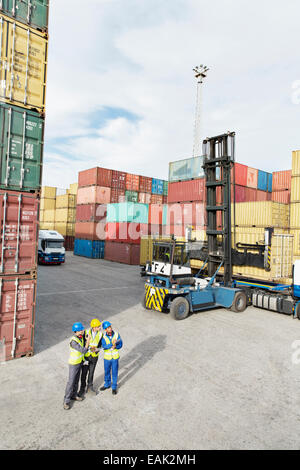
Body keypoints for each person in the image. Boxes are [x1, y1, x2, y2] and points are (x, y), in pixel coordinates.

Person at [63, 322, 91, 410]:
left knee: (76, 381)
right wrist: (88, 341)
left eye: (82, 330)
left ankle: (74, 395)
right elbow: (83, 350)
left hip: (79, 363)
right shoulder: (73, 341)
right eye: (80, 330)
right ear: (76, 331)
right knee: (71, 382)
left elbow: (87, 332)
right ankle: (66, 401)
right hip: (73, 364)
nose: (82, 331)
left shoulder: (81, 337)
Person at [78, 318, 102, 396]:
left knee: (91, 372)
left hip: (94, 356)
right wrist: (88, 348)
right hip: (86, 356)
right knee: (84, 373)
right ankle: (82, 388)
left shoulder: (101, 334)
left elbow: (101, 345)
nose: (100, 328)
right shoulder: (86, 332)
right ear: (94, 327)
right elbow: (82, 343)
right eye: (98, 326)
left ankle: (90, 387)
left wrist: (97, 349)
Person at [100, 321, 123, 395]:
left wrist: (116, 346)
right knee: (106, 372)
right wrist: (111, 344)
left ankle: (114, 387)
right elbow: (104, 346)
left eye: (110, 327)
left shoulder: (116, 334)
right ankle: (107, 384)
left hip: (115, 358)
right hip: (107, 358)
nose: (109, 329)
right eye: (107, 328)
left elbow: (121, 344)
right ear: (105, 330)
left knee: (114, 372)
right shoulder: (103, 336)